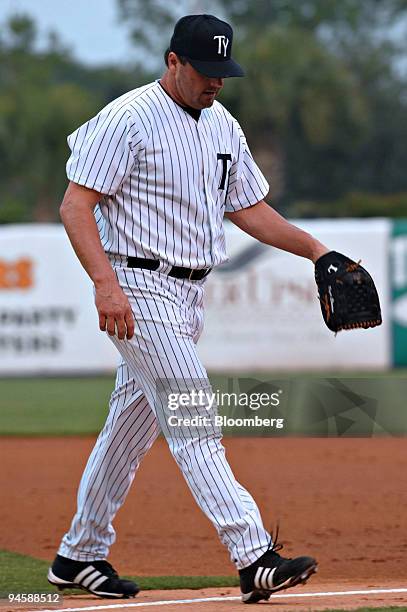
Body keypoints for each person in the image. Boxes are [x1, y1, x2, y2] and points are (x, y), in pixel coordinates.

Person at [47, 14, 327, 604]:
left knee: (127, 430)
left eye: (224, 71)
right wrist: (105, 283)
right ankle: (253, 555)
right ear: (173, 61)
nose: (216, 82)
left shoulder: (222, 123)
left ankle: (79, 554)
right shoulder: (127, 118)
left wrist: (318, 251)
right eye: (205, 70)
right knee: (195, 420)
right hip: (136, 288)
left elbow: (250, 209)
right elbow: (76, 205)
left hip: (187, 295)